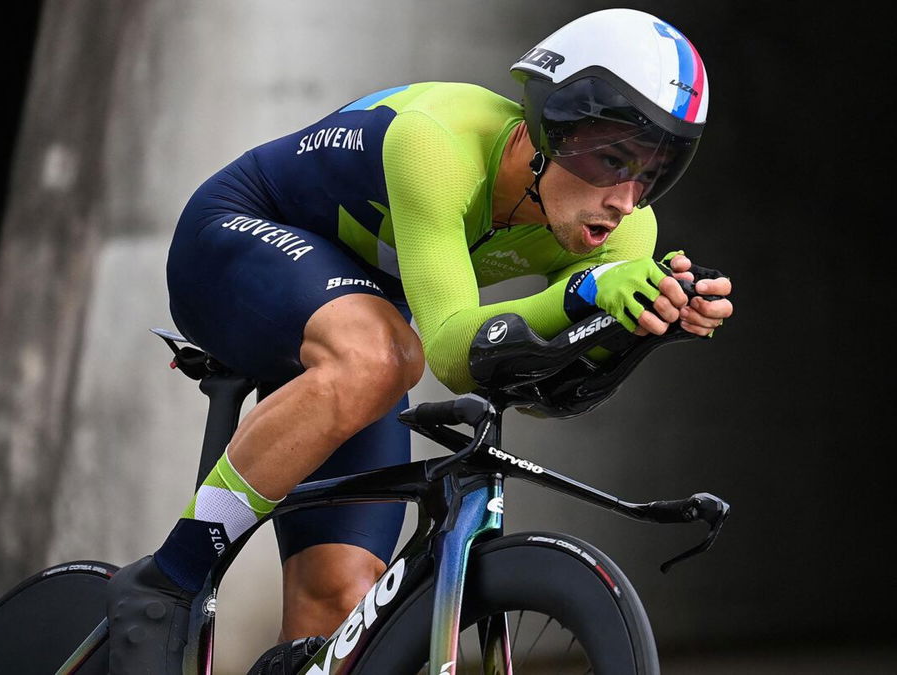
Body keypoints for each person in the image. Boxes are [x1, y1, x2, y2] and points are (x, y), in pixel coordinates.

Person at [105, 8, 733, 673]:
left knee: (345, 609)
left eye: (652, 174)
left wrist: (641, 328)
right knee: (386, 353)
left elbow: (544, 388)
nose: (628, 200)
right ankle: (167, 580)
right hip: (236, 234)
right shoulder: (438, 147)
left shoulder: (626, 235)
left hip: (363, 304)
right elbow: (457, 354)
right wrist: (584, 295)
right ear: (553, 126)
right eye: (613, 160)